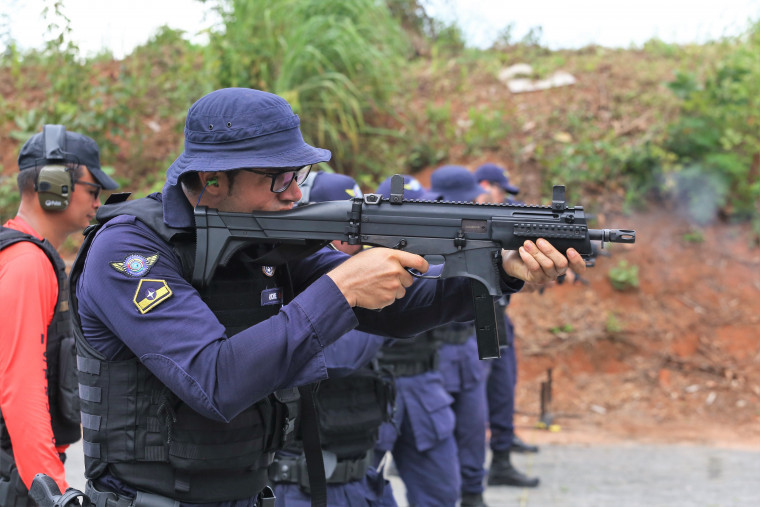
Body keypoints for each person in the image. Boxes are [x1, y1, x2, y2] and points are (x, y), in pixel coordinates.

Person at [70, 88, 584, 507]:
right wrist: (342, 289)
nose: (295, 193)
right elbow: (213, 380)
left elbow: (399, 310)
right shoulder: (130, 249)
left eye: (300, 176)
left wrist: (500, 271)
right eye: (279, 179)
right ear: (211, 180)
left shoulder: (257, 239)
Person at [0, 125, 118, 505]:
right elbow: (22, 388)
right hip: (17, 470)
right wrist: (51, 489)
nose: (98, 202)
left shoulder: (25, 255)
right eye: (92, 190)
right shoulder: (28, 264)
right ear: (54, 185)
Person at [269, 171, 396, 506]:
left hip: (364, 475)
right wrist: (387, 318)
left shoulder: (366, 276)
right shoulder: (292, 271)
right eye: (341, 223)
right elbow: (340, 356)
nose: (352, 239)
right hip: (302, 483)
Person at [373, 175, 464, 507]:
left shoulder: (435, 260)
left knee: (440, 492)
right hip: (367, 388)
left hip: (423, 383)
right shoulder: (358, 265)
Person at [429, 165, 492, 507]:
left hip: (466, 348)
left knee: (472, 430)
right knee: (440, 439)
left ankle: (473, 494)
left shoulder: (473, 233)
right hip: (435, 352)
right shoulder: (432, 235)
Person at [474, 163, 540, 488]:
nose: (503, 198)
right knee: (485, 395)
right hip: (476, 319)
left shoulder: (500, 215)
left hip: (498, 314)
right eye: (501, 190)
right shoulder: (471, 218)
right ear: (486, 185)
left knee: (502, 386)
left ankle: (501, 449)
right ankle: (492, 462)